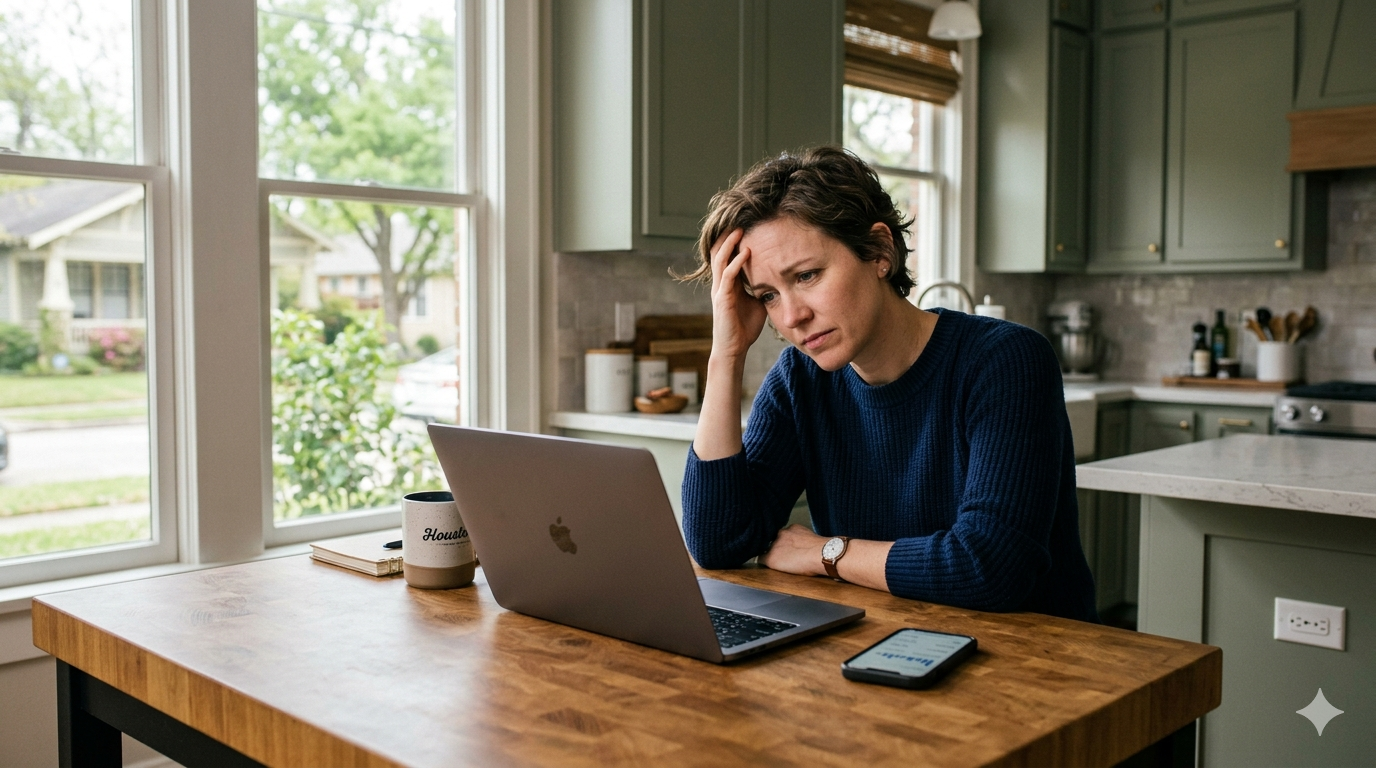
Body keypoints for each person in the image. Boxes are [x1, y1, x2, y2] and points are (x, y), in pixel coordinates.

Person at [679, 146, 1097, 623]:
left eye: (807, 275)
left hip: (1037, 660)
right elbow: (719, 542)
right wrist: (726, 356)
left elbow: (991, 567)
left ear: (879, 252)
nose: (792, 316)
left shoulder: (1005, 360)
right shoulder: (800, 380)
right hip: (883, 636)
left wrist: (826, 554)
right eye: (768, 295)